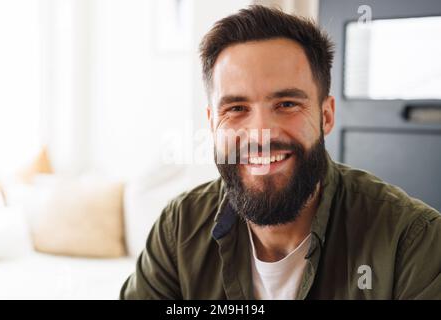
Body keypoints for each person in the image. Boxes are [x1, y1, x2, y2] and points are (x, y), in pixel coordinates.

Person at [120, 5, 441, 299]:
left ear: (326, 115)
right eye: (236, 108)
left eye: (287, 104)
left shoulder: (412, 241)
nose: (261, 134)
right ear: (212, 123)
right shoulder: (179, 229)